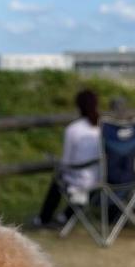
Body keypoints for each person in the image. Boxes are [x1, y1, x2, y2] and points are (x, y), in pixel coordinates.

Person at [33, 89, 101, 229]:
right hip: (100, 178)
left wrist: (55, 161)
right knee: (71, 179)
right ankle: (67, 215)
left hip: (81, 179)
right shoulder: (103, 126)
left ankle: (43, 219)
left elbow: (67, 162)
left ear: (78, 106)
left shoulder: (73, 129)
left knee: (59, 179)